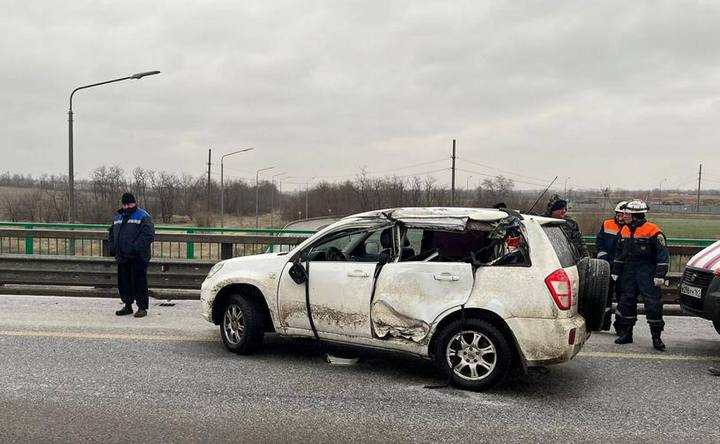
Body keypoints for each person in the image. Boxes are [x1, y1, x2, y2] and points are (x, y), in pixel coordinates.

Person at [611, 199, 669, 350]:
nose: (623, 216)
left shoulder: (653, 230)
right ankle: (626, 333)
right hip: (629, 272)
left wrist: (660, 275)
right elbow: (619, 253)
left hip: (647, 272)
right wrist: (616, 271)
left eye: (627, 214)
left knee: (653, 304)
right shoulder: (624, 230)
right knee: (626, 302)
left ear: (635, 215)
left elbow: (663, 254)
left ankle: (656, 338)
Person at [108, 193, 155, 318]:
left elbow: (148, 235)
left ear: (135, 203)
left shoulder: (143, 216)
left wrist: (135, 249)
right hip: (122, 256)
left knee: (139, 282)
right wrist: (113, 248)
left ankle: (142, 307)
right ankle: (127, 305)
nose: (127, 207)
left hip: (138, 257)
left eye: (129, 204)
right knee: (124, 282)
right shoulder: (118, 217)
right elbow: (111, 233)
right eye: (125, 204)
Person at [596, 201, 627, 332]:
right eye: (618, 215)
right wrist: (602, 257)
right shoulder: (607, 224)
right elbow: (600, 241)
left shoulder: (630, 228)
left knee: (623, 297)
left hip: (623, 268)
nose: (620, 218)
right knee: (605, 295)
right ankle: (604, 323)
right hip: (607, 265)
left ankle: (620, 326)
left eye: (623, 216)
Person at [544, 194, 589, 258]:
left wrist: (586, 259)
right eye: (560, 208)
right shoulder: (540, 222)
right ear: (552, 210)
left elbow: (580, 244)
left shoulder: (571, 224)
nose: (564, 211)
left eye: (565, 208)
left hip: (567, 260)